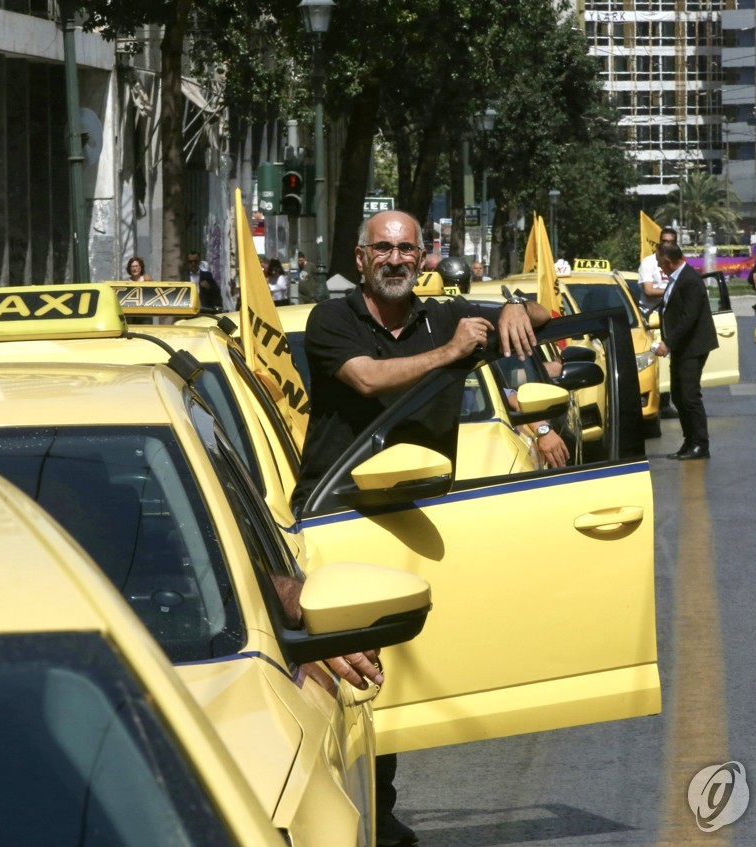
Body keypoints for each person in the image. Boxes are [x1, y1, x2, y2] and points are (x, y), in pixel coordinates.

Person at [292, 209, 551, 847]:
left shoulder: (447, 312)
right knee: (348, 676)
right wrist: (454, 351)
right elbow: (368, 379)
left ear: (424, 257)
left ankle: (382, 808)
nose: (396, 260)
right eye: (383, 249)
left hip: (421, 522)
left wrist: (518, 308)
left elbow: (546, 312)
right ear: (361, 259)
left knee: (406, 672)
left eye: (407, 250)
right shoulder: (333, 321)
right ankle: (347, 811)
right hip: (339, 521)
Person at [654, 243, 718, 460]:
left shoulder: (690, 280)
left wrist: (668, 342)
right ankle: (689, 441)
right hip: (682, 348)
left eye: (660, 263)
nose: (659, 267)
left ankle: (701, 444)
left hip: (692, 347)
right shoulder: (676, 279)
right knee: (678, 396)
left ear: (669, 261)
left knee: (690, 397)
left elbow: (688, 318)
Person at [638, 227, 678, 304]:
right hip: (652, 312)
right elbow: (648, 291)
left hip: (672, 311)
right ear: (660, 242)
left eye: (671, 242)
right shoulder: (648, 262)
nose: (667, 244)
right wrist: (674, 292)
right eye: (664, 241)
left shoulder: (679, 263)